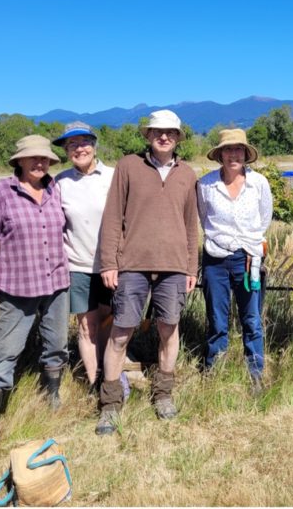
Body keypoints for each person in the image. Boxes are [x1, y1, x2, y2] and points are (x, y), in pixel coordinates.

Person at [95, 110, 199, 434]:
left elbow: (190, 225)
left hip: (174, 265)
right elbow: (112, 217)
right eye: (157, 131)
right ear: (148, 135)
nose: (164, 137)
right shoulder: (128, 166)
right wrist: (109, 262)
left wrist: (191, 266)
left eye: (170, 132)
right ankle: (110, 403)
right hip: (132, 264)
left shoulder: (188, 174)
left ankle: (164, 395)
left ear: (178, 137)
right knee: (121, 331)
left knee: (169, 329)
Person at [0, 135, 70, 449]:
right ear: (19, 161)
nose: (40, 163)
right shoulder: (2, 191)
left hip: (56, 280)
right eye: (33, 158)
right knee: (7, 350)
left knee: (57, 343)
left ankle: (51, 396)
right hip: (18, 283)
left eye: (44, 159)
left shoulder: (55, 188)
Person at [197, 129, 273, 392]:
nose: (233, 155)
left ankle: (256, 374)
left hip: (248, 258)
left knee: (251, 319)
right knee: (217, 320)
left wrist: (248, 243)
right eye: (228, 150)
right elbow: (204, 218)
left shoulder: (259, 183)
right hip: (215, 259)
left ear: (245, 154)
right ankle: (214, 372)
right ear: (220, 154)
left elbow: (264, 219)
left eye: (238, 149)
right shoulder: (206, 184)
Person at [52, 121, 115, 390]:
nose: (80, 149)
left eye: (84, 142)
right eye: (72, 145)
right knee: (87, 326)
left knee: (111, 322)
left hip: (112, 264)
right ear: (66, 150)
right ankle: (93, 383)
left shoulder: (114, 176)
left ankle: (110, 376)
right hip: (77, 264)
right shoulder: (60, 182)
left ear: (94, 144)